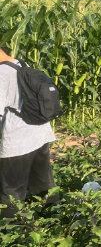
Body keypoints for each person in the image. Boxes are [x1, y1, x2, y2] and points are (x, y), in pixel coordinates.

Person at [0, 47, 58, 218]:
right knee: (43, 183)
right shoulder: (20, 63)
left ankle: (12, 233)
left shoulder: (1, 74)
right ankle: (53, 220)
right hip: (40, 134)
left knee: (12, 191)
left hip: (18, 142)